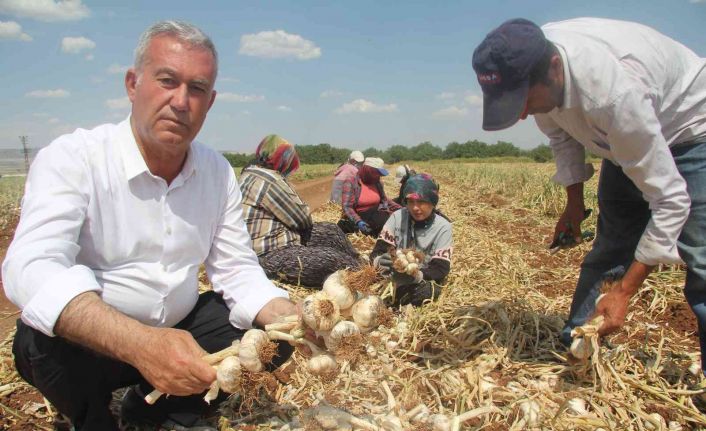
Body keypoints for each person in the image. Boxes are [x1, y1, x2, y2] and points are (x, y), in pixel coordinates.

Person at [2, 21, 300, 431]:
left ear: (210, 102)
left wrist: (290, 316)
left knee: (272, 337)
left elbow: (237, 270)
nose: (181, 101)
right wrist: (139, 343)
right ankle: (91, 419)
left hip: (179, 333)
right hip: (97, 344)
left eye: (196, 89)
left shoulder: (216, 172)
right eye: (167, 81)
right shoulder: (75, 158)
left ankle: (155, 412)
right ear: (132, 84)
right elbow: (30, 267)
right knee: (38, 337)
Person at [473, 18, 706, 368]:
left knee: (701, 260)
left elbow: (671, 201)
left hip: (688, 127)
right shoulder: (533, 61)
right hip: (622, 136)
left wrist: (624, 291)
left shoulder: (613, 95)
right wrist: (574, 203)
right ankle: (578, 343)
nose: (520, 114)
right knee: (610, 246)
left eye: (522, 100)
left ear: (554, 69)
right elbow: (561, 136)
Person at [239, 134, 360, 287]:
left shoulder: (249, 173)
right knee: (331, 260)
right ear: (283, 161)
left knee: (331, 231)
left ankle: (360, 264)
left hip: (268, 244)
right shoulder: (269, 179)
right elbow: (303, 219)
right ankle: (361, 274)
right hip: (267, 255)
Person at [371, 174, 452, 306]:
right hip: (391, 277)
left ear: (432, 202)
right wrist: (380, 260)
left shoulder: (443, 227)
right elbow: (377, 251)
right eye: (410, 202)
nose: (415, 208)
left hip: (419, 281)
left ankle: (396, 302)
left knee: (431, 291)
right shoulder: (397, 217)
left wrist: (417, 276)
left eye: (421, 202)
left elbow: (440, 269)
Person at [338, 157, 402, 237]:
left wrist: (401, 208)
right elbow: (347, 206)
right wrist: (358, 221)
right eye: (376, 173)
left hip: (376, 214)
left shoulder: (377, 183)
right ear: (368, 171)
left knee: (393, 221)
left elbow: (385, 200)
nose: (378, 176)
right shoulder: (351, 182)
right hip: (359, 216)